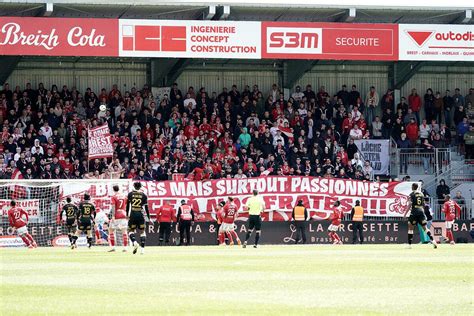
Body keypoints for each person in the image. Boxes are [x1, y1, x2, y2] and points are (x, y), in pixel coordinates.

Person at [403, 183, 437, 249]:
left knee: (410, 227)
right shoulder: (421, 194)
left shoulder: (412, 194)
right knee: (425, 228)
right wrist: (423, 213)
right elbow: (424, 204)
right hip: (421, 211)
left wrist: (405, 214)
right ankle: (433, 240)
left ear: (413, 187)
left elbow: (410, 204)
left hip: (414, 211)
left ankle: (409, 245)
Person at [126, 182, 151, 254]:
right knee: (142, 232)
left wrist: (127, 214)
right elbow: (146, 208)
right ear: (140, 187)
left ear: (134, 186)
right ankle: (142, 250)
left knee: (131, 230)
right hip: (140, 214)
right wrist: (148, 217)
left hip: (133, 213)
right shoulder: (144, 195)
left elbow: (128, 206)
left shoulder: (130, 194)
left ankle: (134, 242)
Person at [108, 185, 128, 252]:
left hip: (117, 214)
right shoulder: (124, 196)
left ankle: (113, 247)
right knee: (124, 231)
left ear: (113, 190)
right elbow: (127, 205)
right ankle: (125, 248)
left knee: (111, 230)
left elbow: (113, 207)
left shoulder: (113, 197)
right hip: (124, 214)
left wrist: (113, 216)